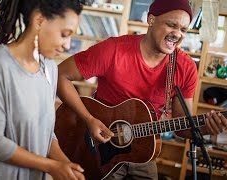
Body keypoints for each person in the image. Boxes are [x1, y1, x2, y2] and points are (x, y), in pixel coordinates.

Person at [57, 0, 227, 179]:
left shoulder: (185, 67)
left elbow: (182, 127)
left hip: (145, 152)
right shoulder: (113, 50)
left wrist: (207, 128)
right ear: (151, 19)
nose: (177, 34)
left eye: (183, 30)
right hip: (97, 147)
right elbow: (60, 75)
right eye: (171, 25)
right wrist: (89, 119)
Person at [0, 0, 85, 180]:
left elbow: (45, 131)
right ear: (39, 20)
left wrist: (65, 165)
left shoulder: (50, 68)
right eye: (64, 34)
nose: (67, 45)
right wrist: (51, 166)